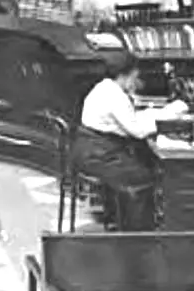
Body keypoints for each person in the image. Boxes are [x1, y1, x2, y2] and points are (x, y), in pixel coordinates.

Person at [74, 52, 186, 231]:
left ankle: (128, 221)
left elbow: (130, 120)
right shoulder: (115, 96)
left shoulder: (104, 88)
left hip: (92, 150)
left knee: (143, 162)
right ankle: (138, 231)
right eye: (135, 76)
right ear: (125, 75)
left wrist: (159, 113)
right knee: (145, 175)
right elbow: (138, 131)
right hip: (99, 155)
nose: (136, 81)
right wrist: (165, 119)